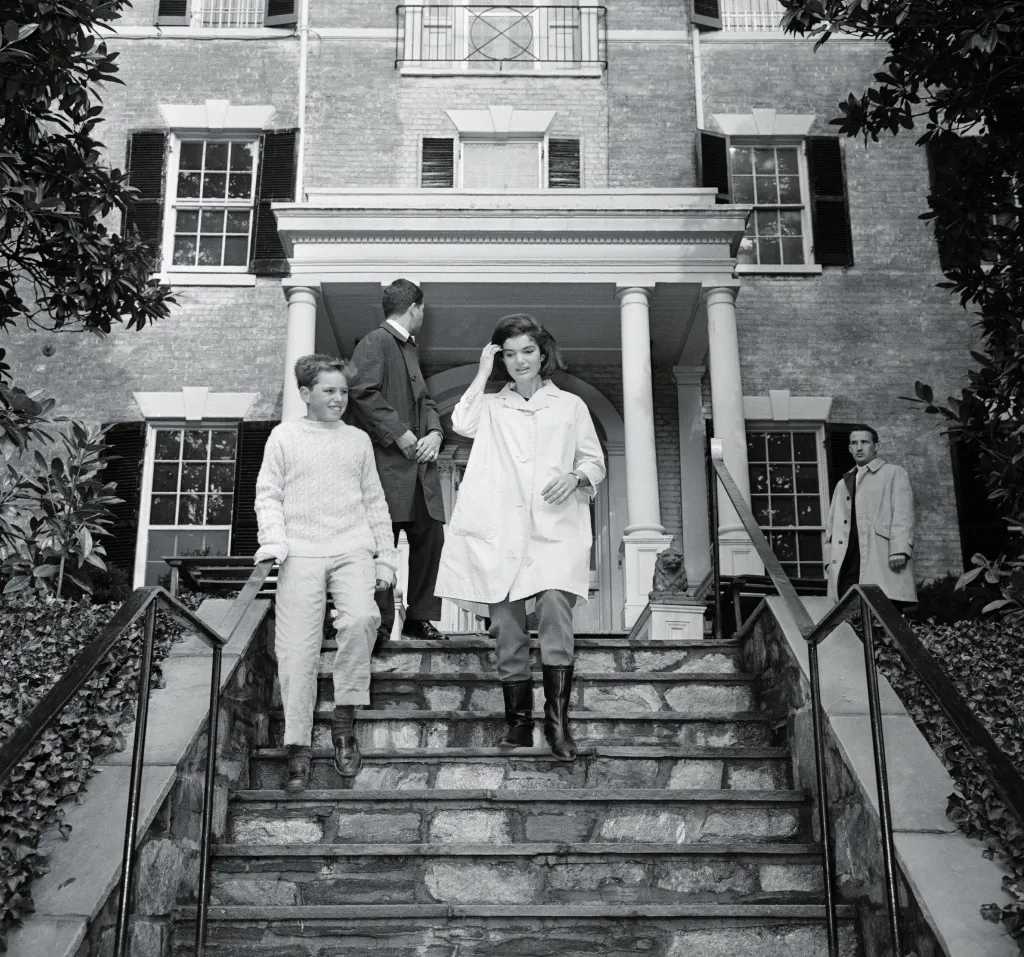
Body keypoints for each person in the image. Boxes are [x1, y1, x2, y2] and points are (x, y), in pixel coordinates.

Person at [434, 315, 606, 762]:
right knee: (507, 626)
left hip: (554, 528)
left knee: (553, 608)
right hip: (502, 530)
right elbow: (461, 420)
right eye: (508, 354)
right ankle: (518, 724)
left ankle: (558, 726)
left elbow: (594, 460)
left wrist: (575, 476)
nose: (519, 361)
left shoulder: (570, 406)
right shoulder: (491, 405)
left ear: (543, 353)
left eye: (527, 351)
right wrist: (481, 371)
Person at [254, 354, 399, 791]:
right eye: (329, 391)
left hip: (352, 545)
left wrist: (386, 558)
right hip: (300, 551)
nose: (339, 398)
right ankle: (297, 747)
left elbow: (375, 501)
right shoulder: (283, 437)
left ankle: (344, 719)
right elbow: (268, 495)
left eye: (342, 391)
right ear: (305, 394)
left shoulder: (357, 440)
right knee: (297, 647)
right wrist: (275, 542)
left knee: (362, 619)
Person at [348, 279, 448, 646]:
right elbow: (360, 391)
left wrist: (436, 434)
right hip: (386, 471)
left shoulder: (409, 348)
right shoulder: (376, 341)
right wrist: (401, 434)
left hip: (420, 473)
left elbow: (427, 402)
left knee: (431, 538)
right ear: (416, 308)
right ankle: (380, 622)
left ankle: (419, 618)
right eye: (423, 310)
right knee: (381, 546)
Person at [824, 425, 918, 607]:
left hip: (879, 555)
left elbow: (903, 513)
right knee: (848, 618)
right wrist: (829, 562)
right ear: (849, 448)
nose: (859, 447)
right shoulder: (842, 484)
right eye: (854, 443)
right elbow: (831, 528)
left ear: (876, 446)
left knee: (882, 614)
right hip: (847, 562)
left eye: (864, 442)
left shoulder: (893, 473)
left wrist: (899, 549)